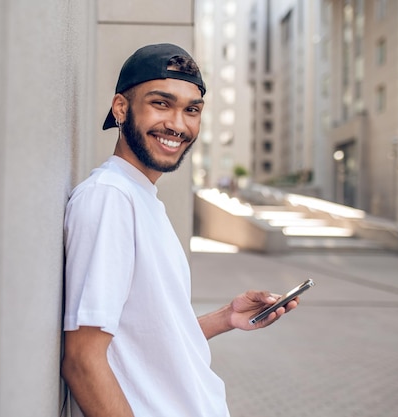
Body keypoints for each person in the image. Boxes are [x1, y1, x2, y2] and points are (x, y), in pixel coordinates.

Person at [62, 43, 299, 417]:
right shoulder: (110, 198)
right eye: (161, 103)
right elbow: (82, 359)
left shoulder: (141, 198)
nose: (178, 124)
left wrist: (226, 317)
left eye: (192, 110)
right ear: (121, 108)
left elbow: (144, 337)